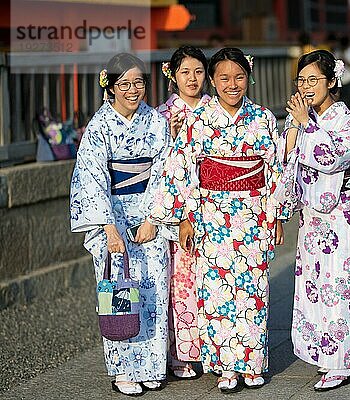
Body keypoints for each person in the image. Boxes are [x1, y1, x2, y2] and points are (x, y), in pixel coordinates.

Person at [151, 47, 284, 393]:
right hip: (211, 214)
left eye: (239, 77)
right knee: (216, 292)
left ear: (249, 78)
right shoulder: (198, 120)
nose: (232, 84)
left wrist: (278, 214)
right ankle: (225, 365)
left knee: (253, 290)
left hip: (254, 213)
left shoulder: (263, 118)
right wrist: (184, 218)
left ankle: (252, 363)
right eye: (223, 78)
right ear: (213, 80)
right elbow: (183, 170)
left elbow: (275, 170)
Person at [70, 53, 171, 396]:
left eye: (138, 82)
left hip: (148, 213)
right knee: (118, 291)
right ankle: (122, 369)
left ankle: (153, 366)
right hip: (110, 213)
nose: (132, 90)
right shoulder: (99, 127)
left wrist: (154, 217)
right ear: (110, 87)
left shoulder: (156, 122)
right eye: (124, 84)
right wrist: (108, 227)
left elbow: (164, 172)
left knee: (153, 287)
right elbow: (91, 177)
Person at [276, 50, 350, 392]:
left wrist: (307, 126)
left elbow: (331, 158)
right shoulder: (301, 117)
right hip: (312, 216)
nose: (307, 86)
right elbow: (287, 158)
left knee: (339, 285)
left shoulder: (348, 120)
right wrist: (297, 126)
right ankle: (321, 351)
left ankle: (340, 361)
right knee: (313, 285)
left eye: (315, 80)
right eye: (302, 80)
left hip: (341, 214)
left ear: (332, 82)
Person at [155, 45, 211, 379]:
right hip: (179, 207)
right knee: (181, 279)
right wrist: (171, 139)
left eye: (199, 71)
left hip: (216, 205)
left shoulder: (215, 110)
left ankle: (214, 346)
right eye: (185, 72)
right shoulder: (161, 115)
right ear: (172, 75)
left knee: (214, 278)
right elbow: (158, 166)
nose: (192, 79)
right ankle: (182, 352)